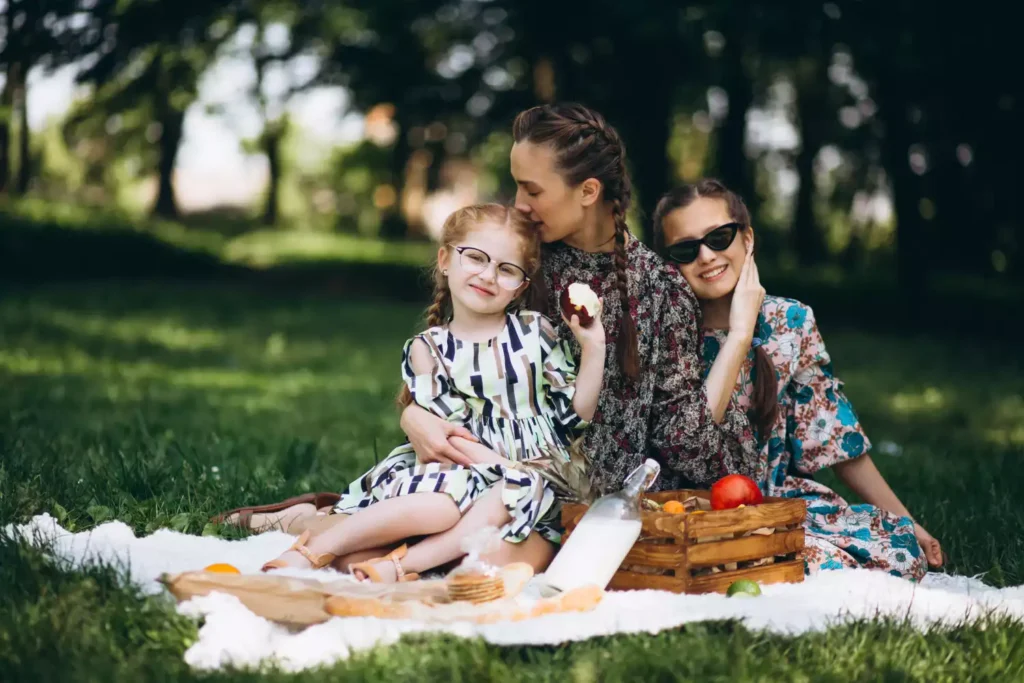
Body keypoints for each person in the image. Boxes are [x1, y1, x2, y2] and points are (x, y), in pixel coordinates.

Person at [398, 103, 762, 567]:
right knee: (389, 525)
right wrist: (414, 415)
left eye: (532, 189)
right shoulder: (517, 265)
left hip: (580, 504)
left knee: (466, 561)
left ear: (588, 191)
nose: (518, 204)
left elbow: (685, 445)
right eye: (516, 185)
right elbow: (453, 355)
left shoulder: (660, 290)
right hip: (476, 470)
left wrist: (739, 336)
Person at [252, 203, 607, 580]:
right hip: (462, 471)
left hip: (538, 487)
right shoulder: (430, 349)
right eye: (475, 258)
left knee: (488, 557)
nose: (488, 275)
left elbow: (574, 417)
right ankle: (306, 539)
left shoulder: (536, 332)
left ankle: (397, 564)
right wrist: (509, 470)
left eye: (506, 269)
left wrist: (593, 346)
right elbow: (450, 443)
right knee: (430, 515)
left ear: (521, 285)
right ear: (445, 259)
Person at [652, 178, 943, 580]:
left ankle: (754, 568)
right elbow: (685, 440)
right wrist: (738, 334)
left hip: (773, 502)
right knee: (816, 564)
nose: (706, 256)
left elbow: (835, 439)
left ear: (747, 238)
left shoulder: (789, 321)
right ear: (671, 265)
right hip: (690, 510)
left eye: (719, 237)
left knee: (897, 551)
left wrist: (910, 524)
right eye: (687, 249)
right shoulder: (664, 333)